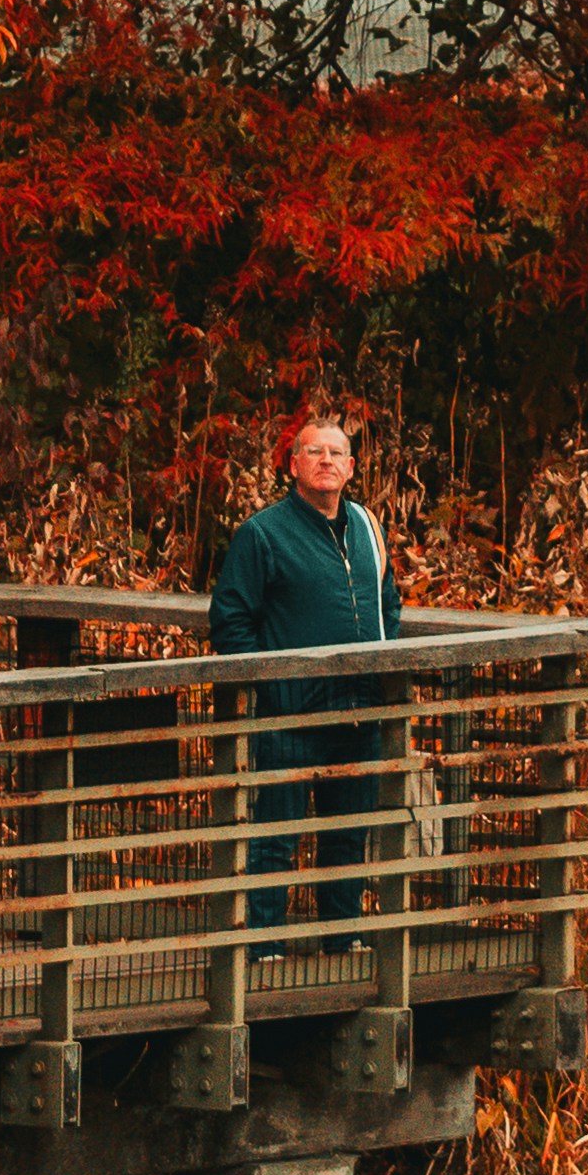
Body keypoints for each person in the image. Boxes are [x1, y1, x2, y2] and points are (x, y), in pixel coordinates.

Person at [210, 398, 401, 935]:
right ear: (293, 464)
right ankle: (265, 951)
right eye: (313, 451)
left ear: (351, 467)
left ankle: (343, 945)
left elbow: (388, 601)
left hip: (360, 712)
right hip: (288, 717)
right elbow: (231, 622)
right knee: (275, 840)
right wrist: (274, 688)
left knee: (348, 838)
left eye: (336, 452)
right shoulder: (263, 534)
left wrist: (382, 672)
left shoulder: (366, 525)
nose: (325, 460)